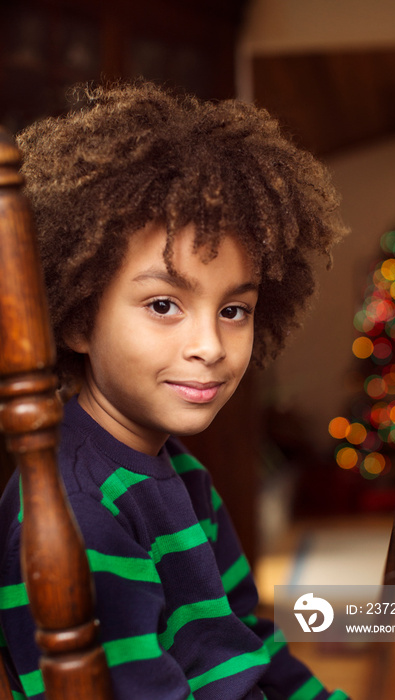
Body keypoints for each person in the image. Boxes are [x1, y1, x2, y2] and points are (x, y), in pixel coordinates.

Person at [0, 81, 349, 699]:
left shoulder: (182, 475)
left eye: (235, 310)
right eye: (164, 304)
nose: (210, 346)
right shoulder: (79, 512)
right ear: (78, 316)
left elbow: (249, 639)